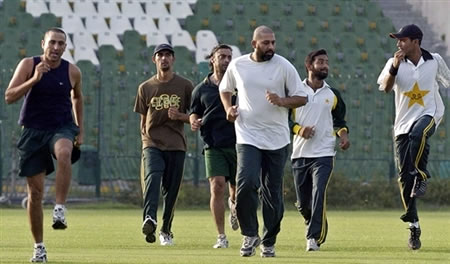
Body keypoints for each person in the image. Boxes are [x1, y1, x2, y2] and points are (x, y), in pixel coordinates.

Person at [219, 25, 308, 258]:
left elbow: (302, 97)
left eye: (273, 42)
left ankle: (269, 241)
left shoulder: (283, 65)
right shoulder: (238, 65)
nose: (271, 47)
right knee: (246, 182)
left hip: (277, 139)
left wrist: (282, 101)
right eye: (266, 43)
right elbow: (224, 89)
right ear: (254, 44)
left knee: (273, 194)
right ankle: (250, 233)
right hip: (247, 135)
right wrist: (229, 109)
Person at [4, 27, 83, 262]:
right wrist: (34, 79)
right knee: (35, 193)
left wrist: (81, 129)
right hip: (33, 132)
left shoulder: (73, 71)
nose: (56, 48)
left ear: (65, 47)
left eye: (61, 43)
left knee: (64, 152)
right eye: (52, 43)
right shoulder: (28, 65)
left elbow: (77, 97)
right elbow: (9, 96)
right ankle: (39, 247)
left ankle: (59, 208)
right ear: (43, 44)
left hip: (61, 127)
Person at [378, 24, 450, 250]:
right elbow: (387, 88)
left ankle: (422, 175)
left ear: (416, 42)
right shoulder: (393, 62)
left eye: (402, 39)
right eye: (398, 40)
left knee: (420, 133)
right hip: (402, 125)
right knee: (404, 178)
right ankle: (414, 226)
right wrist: (395, 68)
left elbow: (446, 80)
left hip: (430, 114)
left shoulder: (434, 60)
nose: (398, 43)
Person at [290, 49, 350, 252]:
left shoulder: (333, 94)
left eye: (327, 62)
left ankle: (313, 237)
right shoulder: (295, 91)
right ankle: (312, 219)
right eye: (320, 62)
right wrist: (299, 130)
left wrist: (343, 135)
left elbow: (340, 120)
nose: (325, 65)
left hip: (324, 153)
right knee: (302, 203)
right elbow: (283, 121)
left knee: (318, 193)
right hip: (299, 154)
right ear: (309, 66)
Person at [134, 43, 193, 246]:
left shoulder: (185, 86)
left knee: (171, 190)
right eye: (160, 55)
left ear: (173, 59)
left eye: (168, 55)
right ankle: (149, 217)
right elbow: (143, 120)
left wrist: (180, 116)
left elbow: (194, 118)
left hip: (176, 143)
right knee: (152, 177)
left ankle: (166, 230)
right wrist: (145, 141)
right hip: (152, 143)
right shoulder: (146, 87)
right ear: (154, 59)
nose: (164, 58)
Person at [189, 44, 239, 249]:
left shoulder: (240, 85)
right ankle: (221, 236)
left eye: (229, 57)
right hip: (213, 143)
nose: (226, 60)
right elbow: (194, 111)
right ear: (212, 60)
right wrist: (193, 120)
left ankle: (235, 207)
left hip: (239, 143)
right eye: (222, 57)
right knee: (217, 186)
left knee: (238, 190)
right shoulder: (201, 89)